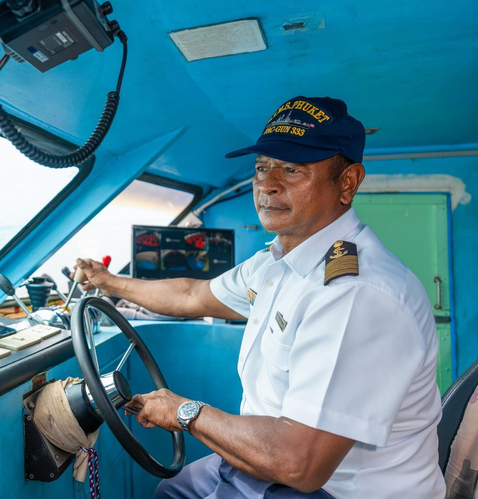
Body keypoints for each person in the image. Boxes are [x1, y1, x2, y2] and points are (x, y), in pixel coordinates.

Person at [73, 97, 446, 498]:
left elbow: (299, 464)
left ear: (348, 182)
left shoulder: (356, 294)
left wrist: (185, 412)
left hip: (336, 489)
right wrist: (108, 282)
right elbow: (191, 295)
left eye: (291, 168)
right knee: (172, 490)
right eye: (261, 168)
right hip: (269, 465)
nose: (267, 184)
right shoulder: (276, 262)